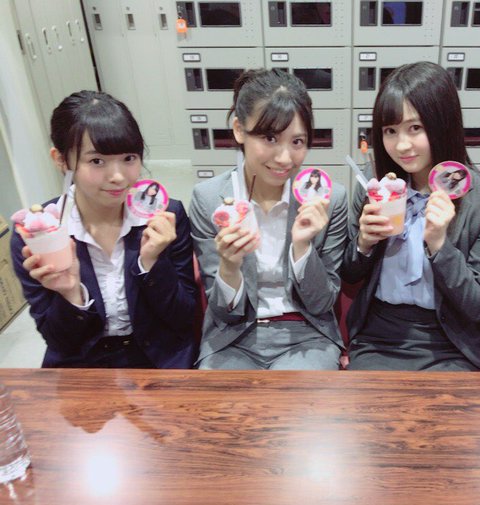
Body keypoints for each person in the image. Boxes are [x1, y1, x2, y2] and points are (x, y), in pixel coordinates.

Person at [341, 61, 480, 371]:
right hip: (379, 335)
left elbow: (479, 308)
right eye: (390, 131)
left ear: (443, 124)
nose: (402, 145)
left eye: (415, 128)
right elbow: (350, 276)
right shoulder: (375, 185)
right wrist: (364, 243)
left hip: (451, 341)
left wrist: (439, 245)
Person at [11, 91, 197, 368]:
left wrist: (151, 264)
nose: (118, 176)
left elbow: (184, 319)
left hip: (159, 360)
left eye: (129, 158)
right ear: (61, 160)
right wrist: (70, 294)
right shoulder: (37, 234)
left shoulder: (166, 216)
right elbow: (60, 342)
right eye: (97, 161)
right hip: (83, 364)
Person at [189, 68, 347, 370]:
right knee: (225, 401)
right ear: (239, 129)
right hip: (233, 338)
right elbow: (224, 313)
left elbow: (322, 303)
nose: (285, 158)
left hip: (306, 334)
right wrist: (229, 266)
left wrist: (302, 247)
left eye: (297, 142)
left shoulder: (329, 200)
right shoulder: (208, 199)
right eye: (270, 137)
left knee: (298, 400)